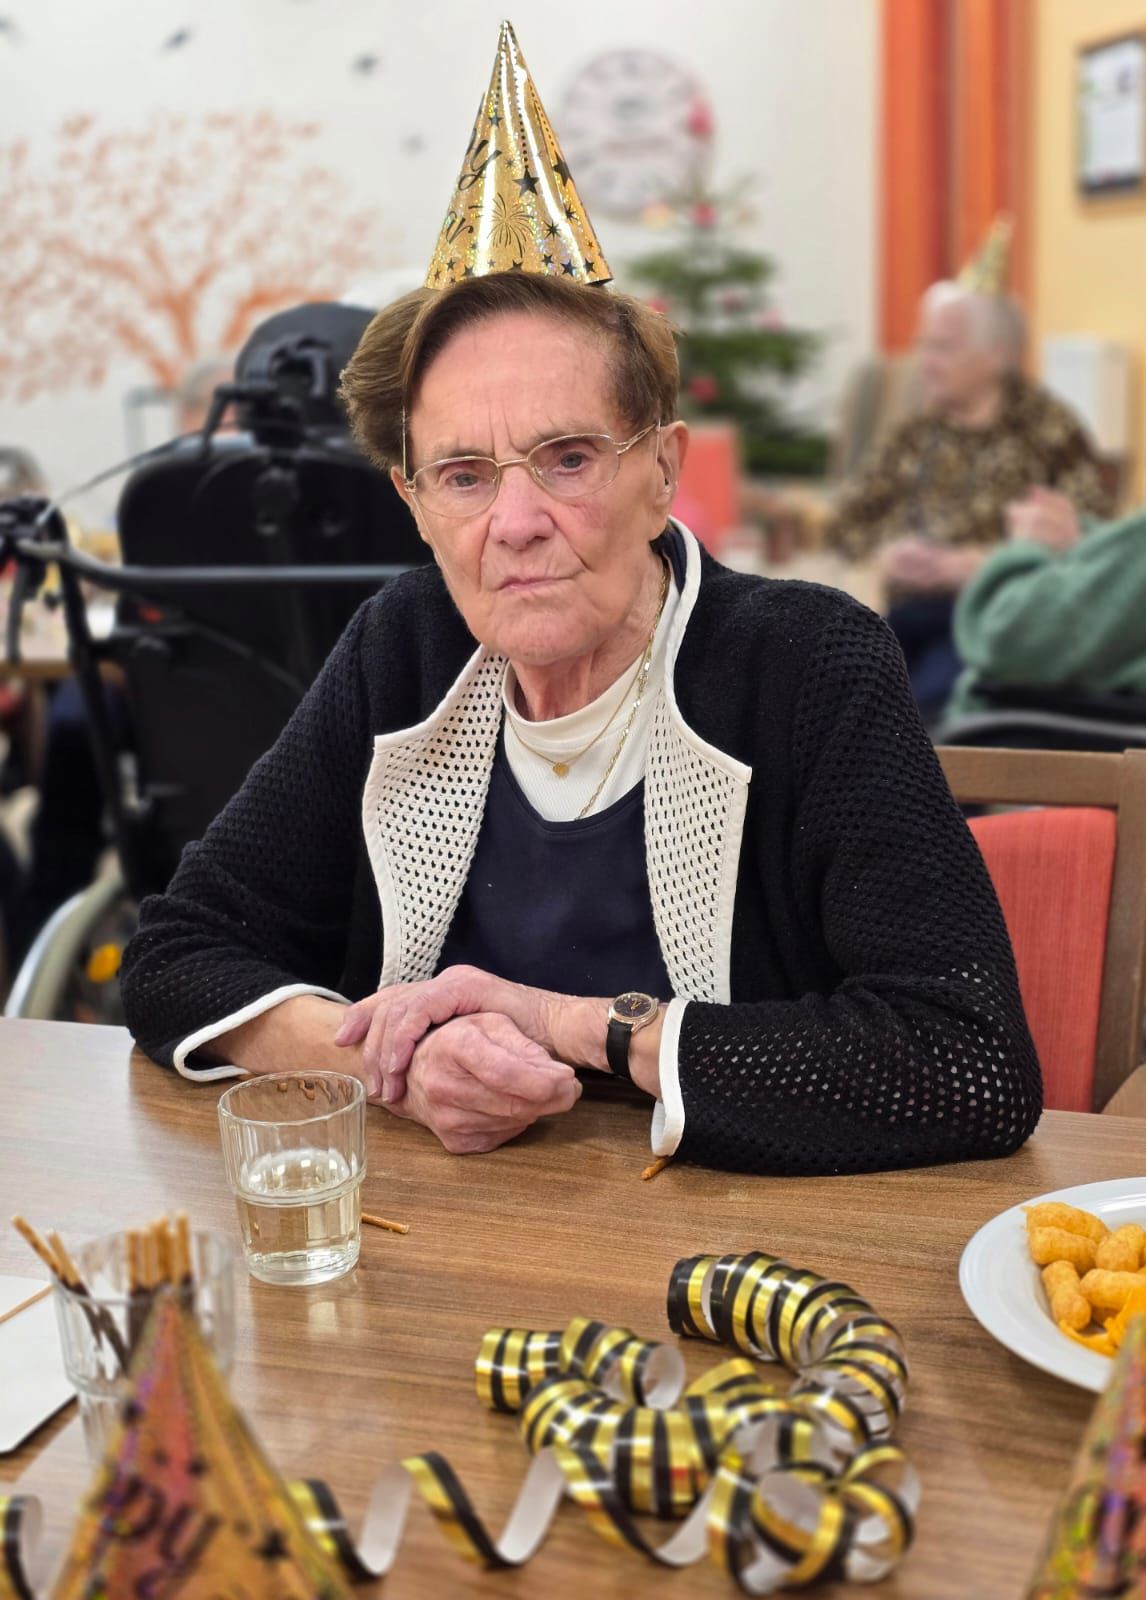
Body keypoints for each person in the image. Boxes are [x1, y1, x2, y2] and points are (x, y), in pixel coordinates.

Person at [118, 26, 1040, 1177]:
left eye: (565, 457)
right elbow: (173, 951)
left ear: (661, 472)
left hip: (740, 1273)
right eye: (462, 475)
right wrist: (390, 1062)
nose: (514, 522)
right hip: (442, 1259)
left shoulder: (808, 664)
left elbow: (968, 1060)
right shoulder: (402, 646)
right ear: (412, 502)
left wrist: (575, 1024)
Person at [826, 236, 1112, 718]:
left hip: (988, 625)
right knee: (838, 698)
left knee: (921, 716)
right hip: (906, 613)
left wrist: (980, 565)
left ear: (997, 355)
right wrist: (889, 554)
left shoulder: (1050, 431)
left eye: (943, 348)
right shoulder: (915, 431)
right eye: (925, 346)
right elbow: (847, 521)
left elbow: (1094, 549)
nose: (926, 363)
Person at [951, 315, 1146, 712]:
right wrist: (1082, 540)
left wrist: (1027, 547)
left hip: (1046, 739)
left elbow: (1004, 635)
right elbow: (1138, 568)